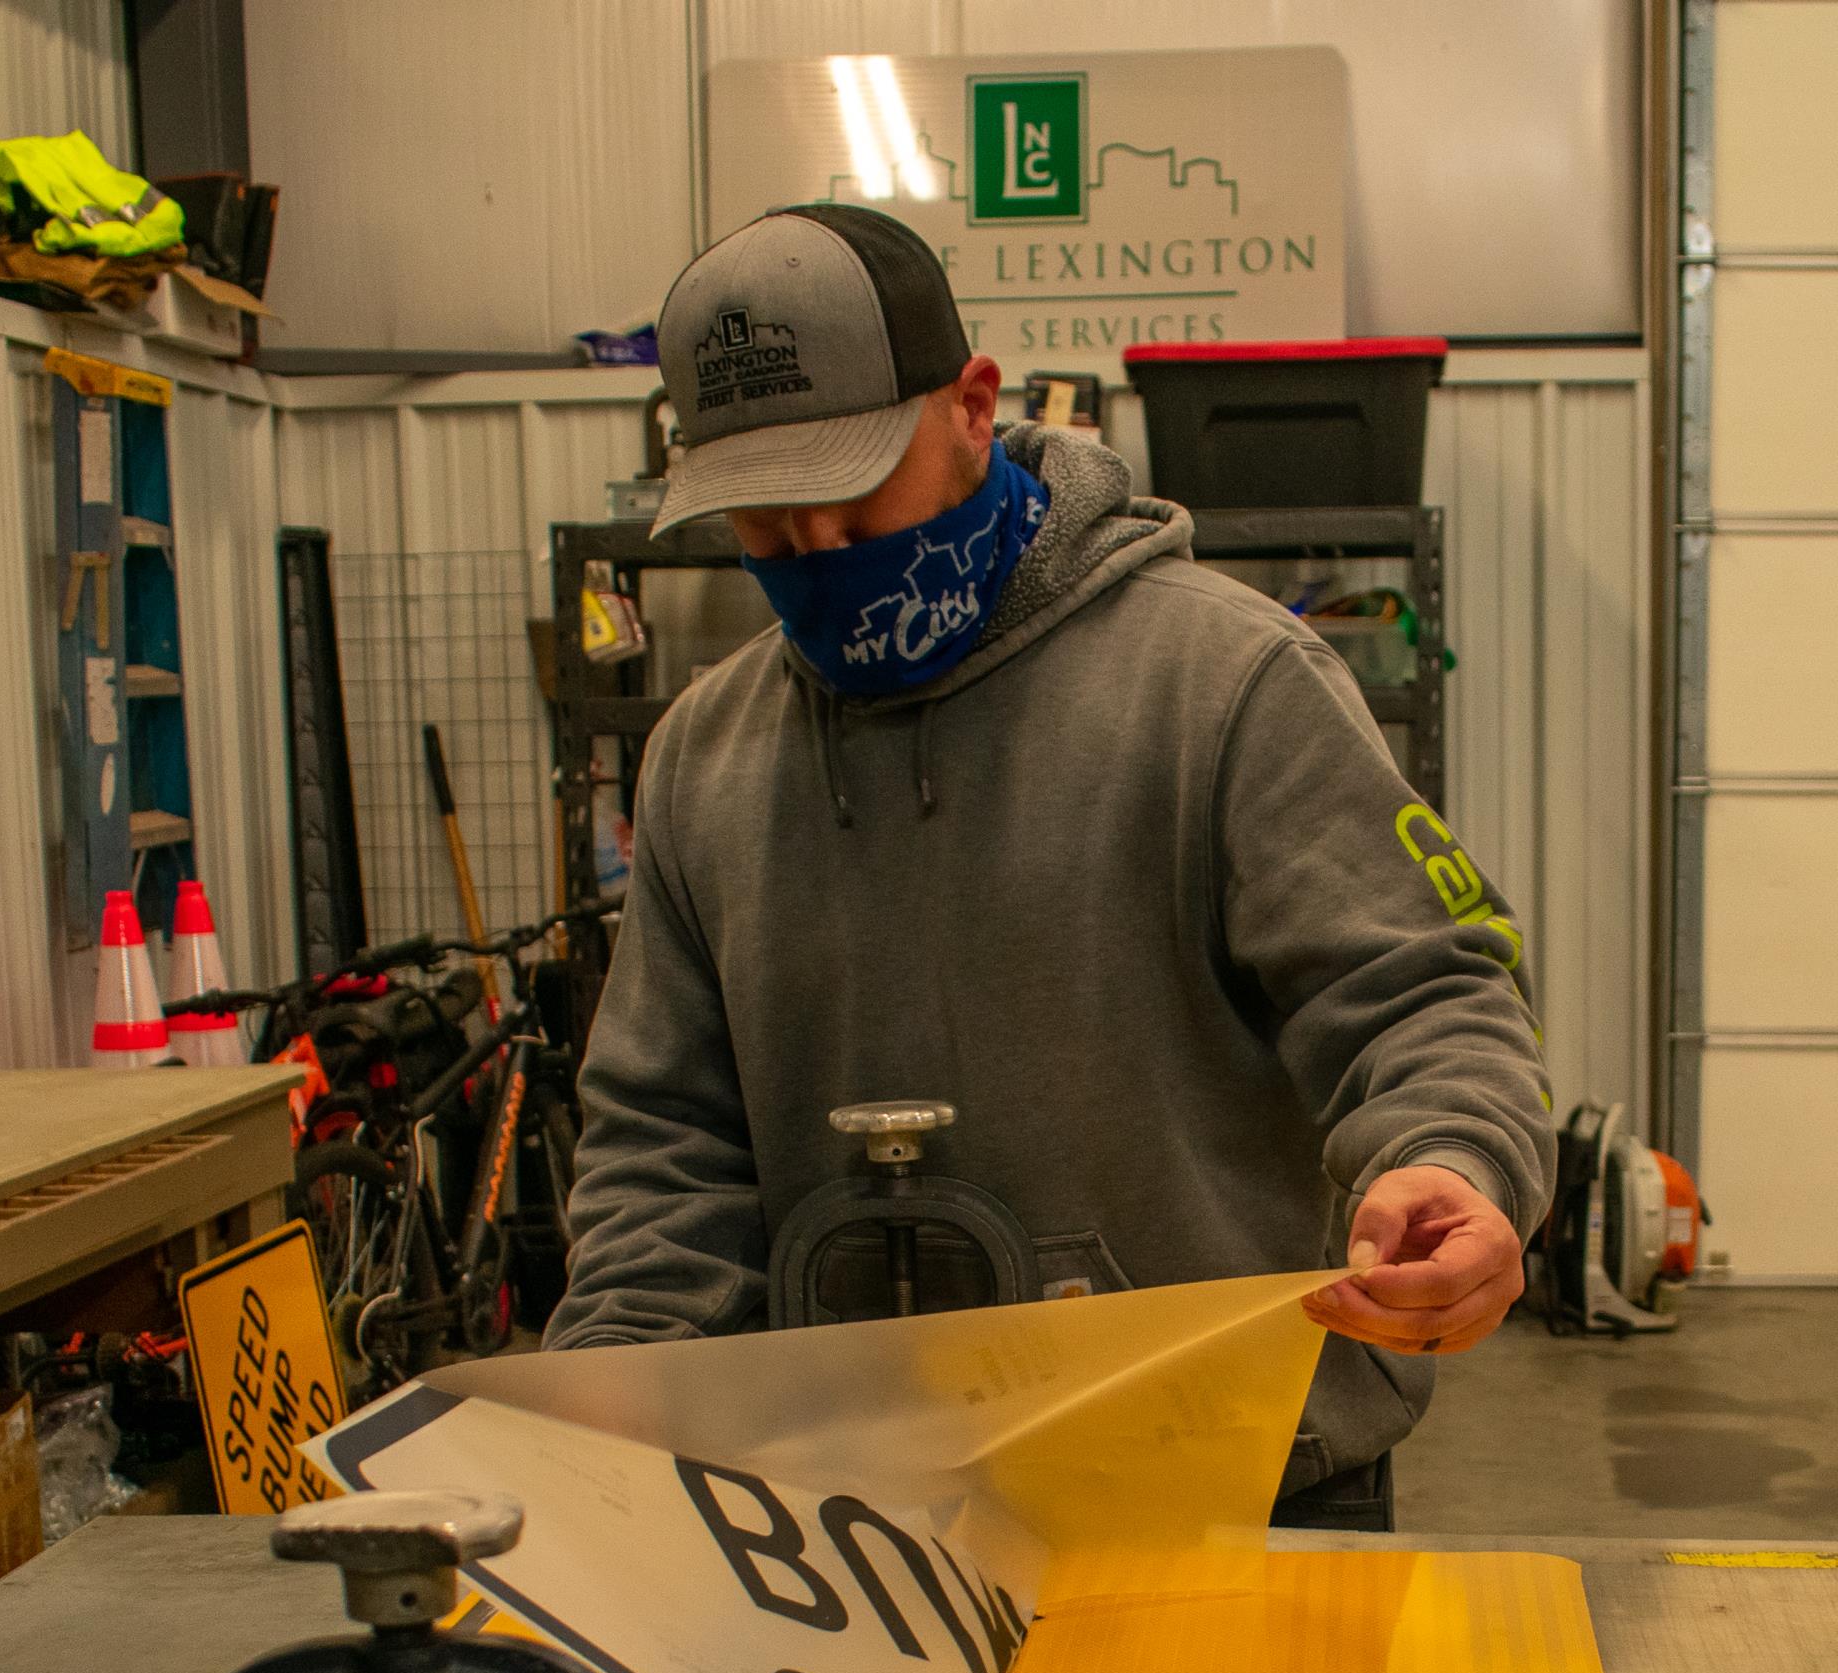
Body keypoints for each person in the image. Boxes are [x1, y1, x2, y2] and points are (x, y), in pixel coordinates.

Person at [545, 203, 1555, 1530]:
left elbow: (1428, 998)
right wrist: (612, 1392)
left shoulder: (1225, 683)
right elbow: (665, 1147)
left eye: (853, 505)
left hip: (1233, 1492)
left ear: (972, 404)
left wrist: (1452, 1162)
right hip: (858, 1527)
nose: (824, 564)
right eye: (769, 535)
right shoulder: (705, 764)